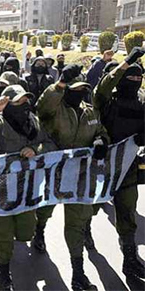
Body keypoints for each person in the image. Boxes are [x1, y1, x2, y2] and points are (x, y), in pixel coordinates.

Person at [0, 84, 56, 291]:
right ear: (7, 104)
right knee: (4, 234)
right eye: (17, 102)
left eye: (25, 101)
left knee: (25, 232)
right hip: (0, 191)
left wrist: (35, 149)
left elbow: (50, 144)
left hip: (26, 190)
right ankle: (4, 270)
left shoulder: (33, 121)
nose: (23, 105)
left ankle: (36, 233)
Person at [35, 64, 110, 291]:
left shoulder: (90, 111)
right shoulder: (54, 109)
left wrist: (101, 141)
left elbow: (101, 131)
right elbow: (43, 105)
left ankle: (78, 274)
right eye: (74, 89)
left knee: (76, 224)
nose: (80, 93)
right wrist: (59, 84)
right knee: (46, 208)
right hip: (54, 172)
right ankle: (39, 230)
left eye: (83, 89)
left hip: (80, 176)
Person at [92, 47, 145, 280]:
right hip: (101, 167)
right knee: (89, 209)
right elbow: (102, 86)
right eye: (130, 76)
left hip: (128, 168)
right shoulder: (107, 100)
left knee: (127, 214)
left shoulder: (142, 103)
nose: (135, 80)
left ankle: (130, 260)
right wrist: (126, 62)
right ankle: (83, 233)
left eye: (139, 77)